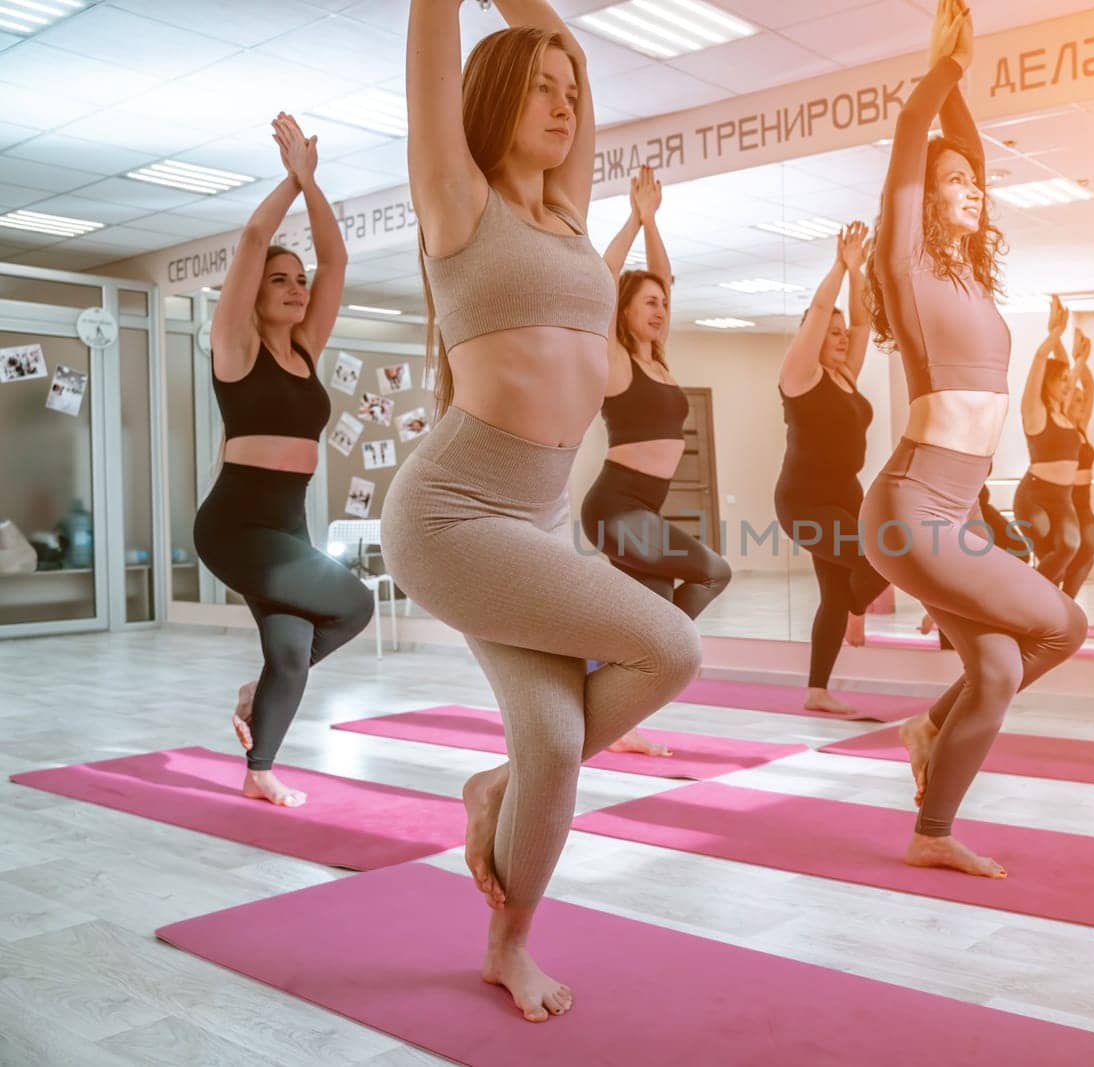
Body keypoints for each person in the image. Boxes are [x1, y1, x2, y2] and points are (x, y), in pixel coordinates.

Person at [385, 1, 701, 1023]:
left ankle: (504, 936)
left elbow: (579, 76)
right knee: (672, 647)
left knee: (556, 744)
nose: (567, 107)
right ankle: (502, 786)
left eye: (574, 91)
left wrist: (550, 31)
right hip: (454, 515)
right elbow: (430, 76)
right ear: (495, 100)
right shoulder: (457, 200)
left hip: (539, 517)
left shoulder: (569, 211)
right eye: (543, 88)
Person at [861, 0, 1087, 879]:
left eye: (972, 181)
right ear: (923, 198)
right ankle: (927, 727)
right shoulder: (906, 266)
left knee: (996, 670)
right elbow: (911, 136)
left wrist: (968, 88)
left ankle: (932, 828)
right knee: (1061, 624)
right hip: (913, 506)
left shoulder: (967, 276)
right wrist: (945, 70)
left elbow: (972, 152)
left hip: (954, 506)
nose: (971, 186)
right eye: (952, 181)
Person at [193, 113, 372, 808]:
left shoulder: (305, 348)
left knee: (292, 653)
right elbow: (251, 238)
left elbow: (339, 260)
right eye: (281, 281)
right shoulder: (235, 351)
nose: (298, 289)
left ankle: (259, 768)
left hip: (288, 527)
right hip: (236, 527)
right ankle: (259, 703)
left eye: (301, 280)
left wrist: (315, 186)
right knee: (353, 603)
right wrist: (293, 180)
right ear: (255, 294)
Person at [578, 164, 731, 754]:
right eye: (649, 303)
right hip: (616, 506)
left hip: (641, 508)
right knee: (713, 571)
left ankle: (617, 715)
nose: (661, 308)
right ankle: (648, 660)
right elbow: (603, 277)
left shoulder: (662, 362)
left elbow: (663, 276)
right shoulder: (616, 360)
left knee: (656, 606)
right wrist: (636, 218)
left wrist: (657, 225)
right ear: (624, 310)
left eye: (664, 303)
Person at [774, 221, 891, 713]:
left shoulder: (845, 374)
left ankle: (817, 691)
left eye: (843, 333)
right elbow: (823, 309)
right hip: (804, 501)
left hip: (847, 494)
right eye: (832, 333)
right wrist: (840, 266)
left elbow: (863, 324)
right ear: (813, 336)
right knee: (887, 557)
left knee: (832, 594)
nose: (842, 338)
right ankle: (856, 607)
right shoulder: (800, 377)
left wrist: (859, 272)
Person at [1010, 296, 1082, 585]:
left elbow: (1061, 362)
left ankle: (1037, 614)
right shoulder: (1034, 411)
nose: (1068, 384)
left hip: (1063, 498)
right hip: (1035, 497)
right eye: (1062, 379)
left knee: (1068, 550)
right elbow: (1043, 361)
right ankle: (1028, 601)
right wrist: (1054, 334)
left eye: (1069, 380)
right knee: (1057, 551)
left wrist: (1057, 336)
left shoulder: (1062, 412)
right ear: (1047, 381)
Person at [1060, 330, 1094, 597]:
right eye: (1076, 399)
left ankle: (1066, 600)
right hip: (1066, 500)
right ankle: (1055, 597)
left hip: (1083, 502)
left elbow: (1091, 387)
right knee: (1074, 549)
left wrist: (1083, 359)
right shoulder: (1060, 423)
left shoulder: (1081, 428)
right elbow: (1070, 387)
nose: (1081, 403)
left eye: (1082, 400)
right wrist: (1078, 362)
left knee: (1090, 548)